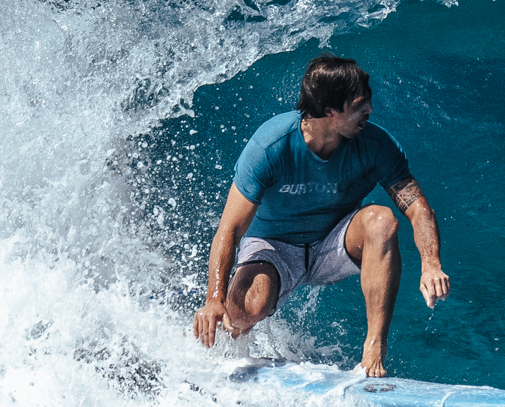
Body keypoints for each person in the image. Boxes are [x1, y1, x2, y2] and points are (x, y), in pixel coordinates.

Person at [192, 54, 450, 377]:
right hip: (274, 245)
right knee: (247, 306)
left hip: (332, 243)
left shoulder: (375, 145)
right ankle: (224, 352)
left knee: (382, 221)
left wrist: (431, 263)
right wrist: (214, 297)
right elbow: (229, 229)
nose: (369, 111)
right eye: (359, 106)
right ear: (330, 112)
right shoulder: (271, 146)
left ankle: (374, 350)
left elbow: (418, 208)